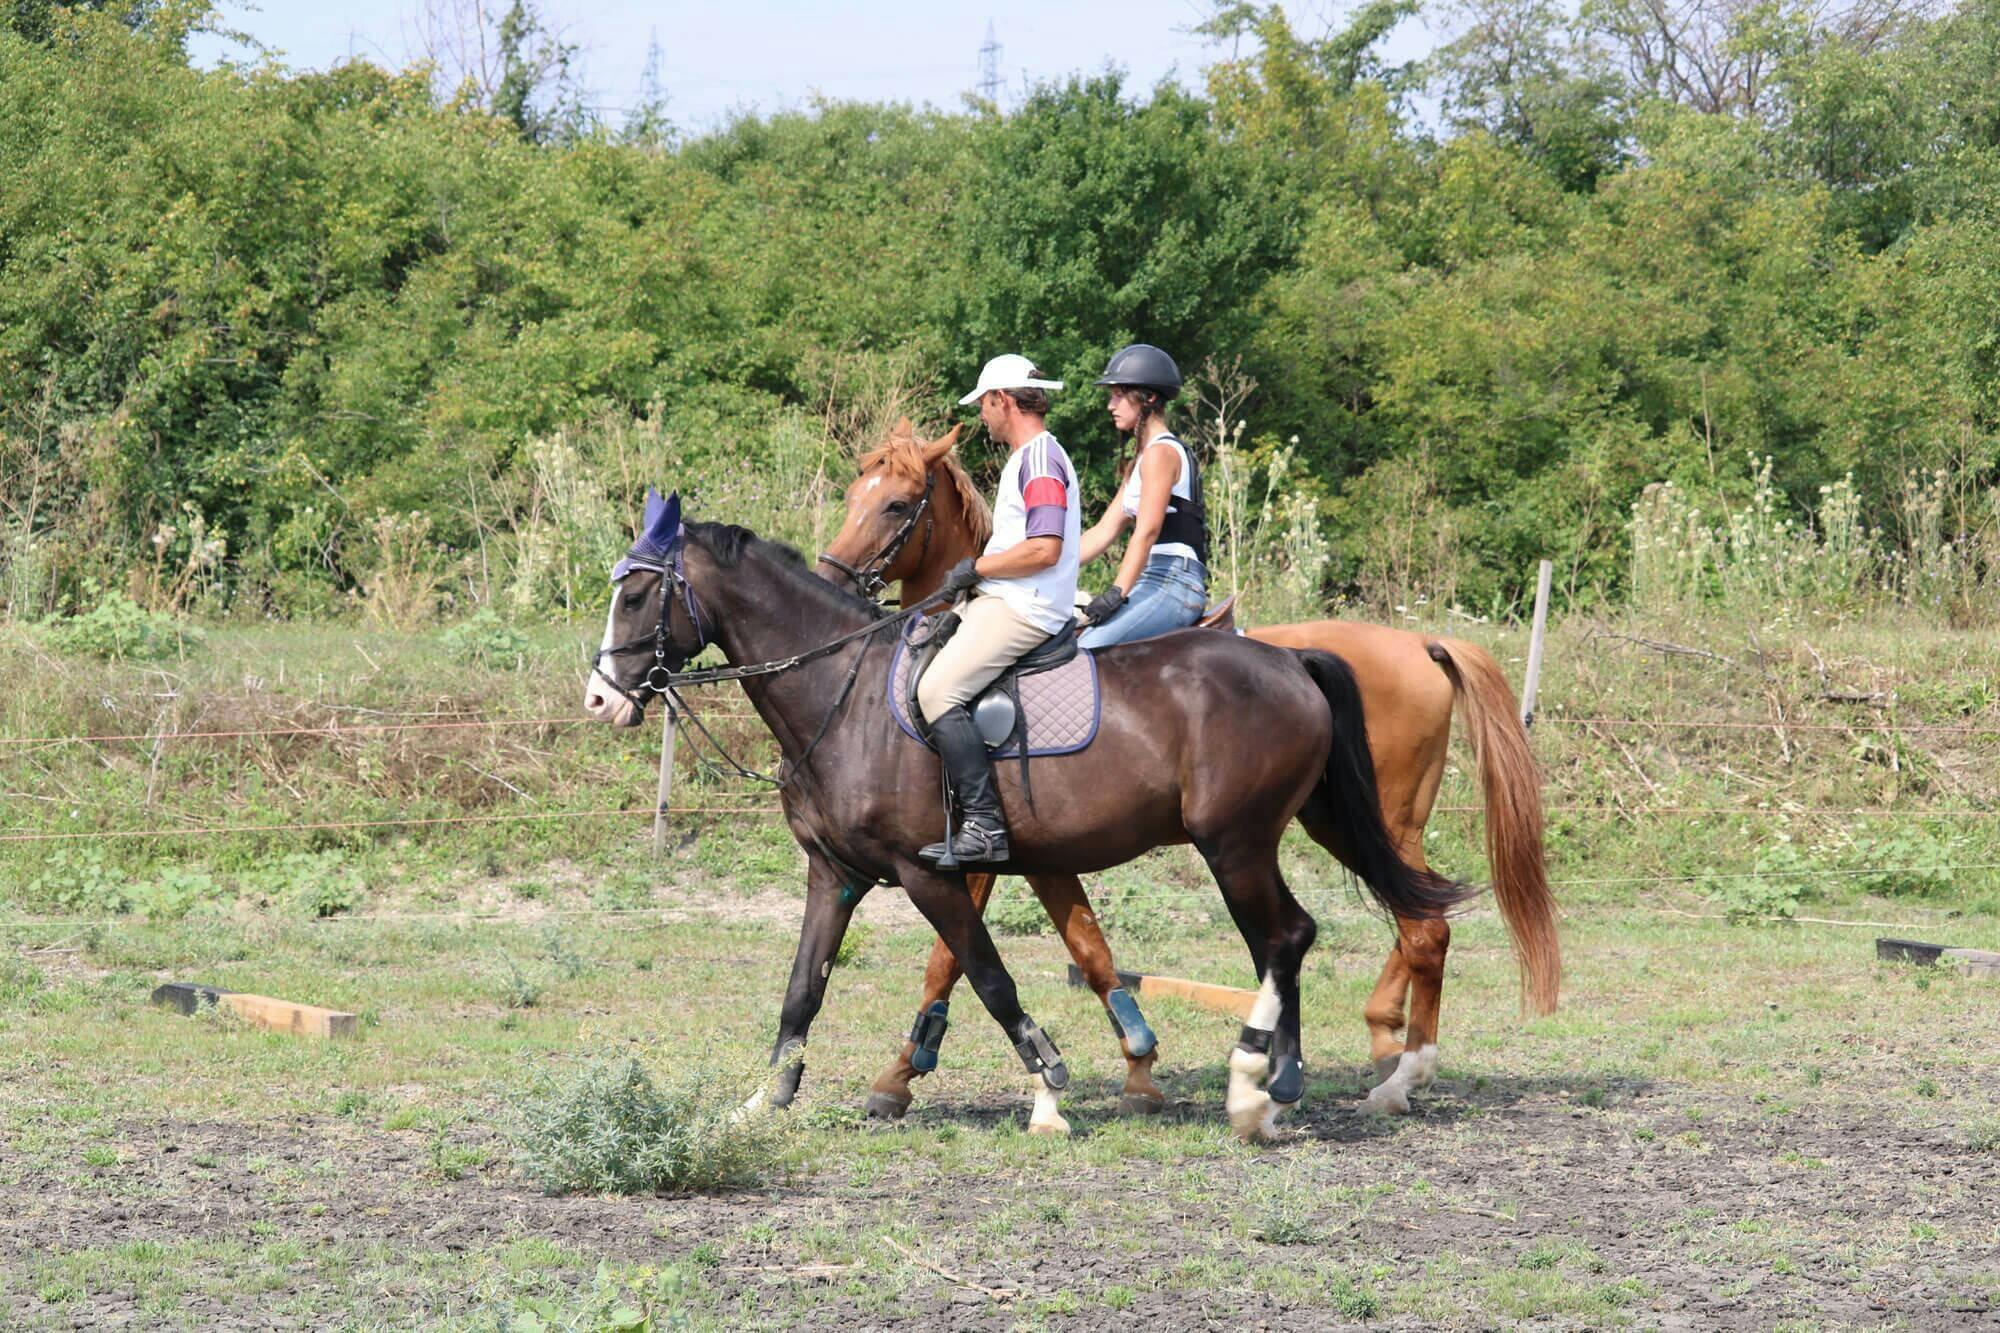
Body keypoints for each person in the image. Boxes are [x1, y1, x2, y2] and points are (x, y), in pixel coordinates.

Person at [914, 354, 1082, 866]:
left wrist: (978, 568)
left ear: (1002, 400)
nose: (983, 417)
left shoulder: (1038, 459)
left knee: (937, 690)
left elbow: (1044, 548)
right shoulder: (1031, 457)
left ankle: (985, 825)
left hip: (1026, 607)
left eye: (984, 406)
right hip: (1009, 598)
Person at [1076, 345, 1209, 649]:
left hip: (1174, 582)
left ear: (1148, 398)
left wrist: (1116, 592)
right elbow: (1102, 532)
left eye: (1119, 394)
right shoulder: (1140, 462)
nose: (1111, 405)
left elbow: (1146, 532)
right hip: (1153, 579)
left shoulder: (1162, 453)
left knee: (1086, 650)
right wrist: (1050, 567)